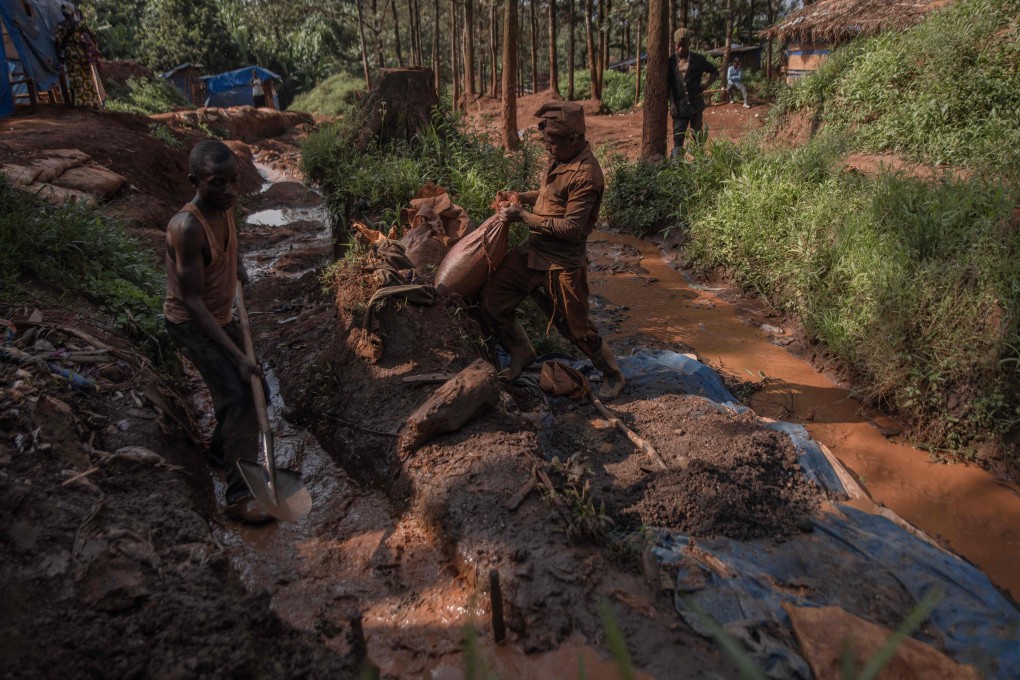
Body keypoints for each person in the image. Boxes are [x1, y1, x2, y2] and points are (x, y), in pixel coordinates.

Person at [482, 101, 626, 400]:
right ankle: (521, 351)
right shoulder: (562, 156)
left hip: (562, 262)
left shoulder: (586, 175)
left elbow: (572, 228)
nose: (548, 148)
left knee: (576, 329)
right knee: (494, 299)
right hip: (533, 251)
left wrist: (523, 217)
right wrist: (521, 197)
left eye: (552, 143)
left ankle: (612, 374)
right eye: (546, 142)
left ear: (573, 139)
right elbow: (552, 195)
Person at [164, 140, 271, 524]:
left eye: (233, 181)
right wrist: (238, 355)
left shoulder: (224, 206)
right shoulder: (186, 227)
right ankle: (241, 496)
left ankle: (218, 455)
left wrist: (237, 264)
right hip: (192, 325)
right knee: (240, 399)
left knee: (259, 392)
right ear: (195, 181)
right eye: (216, 183)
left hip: (220, 315)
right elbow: (192, 303)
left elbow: (229, 239)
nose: (228, 190)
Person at [667, 29, 718, 159]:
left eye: (683, 46)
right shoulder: (671, 62)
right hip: (679, 108)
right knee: (678, 138)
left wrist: (705, 85)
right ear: (675, 44)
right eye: (678, 46)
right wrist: (671, 103)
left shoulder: (698, 60)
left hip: (696, 106)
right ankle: (677, 168)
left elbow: (714, 71)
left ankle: (699, 163)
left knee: (698, 138)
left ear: (689, 43)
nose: (680, 49)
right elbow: (669, 85)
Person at [55, 2, 105, 110]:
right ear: (72, 12)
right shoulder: (80, 24)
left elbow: (58, 42)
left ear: (63, 14)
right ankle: (92, 102)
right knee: (86, 76)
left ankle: (78, 103)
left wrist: (59, 55)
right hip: (81, 52)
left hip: (70, 54)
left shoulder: (60, 26)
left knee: (75, 78)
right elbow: (92, 34)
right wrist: (92, 46)